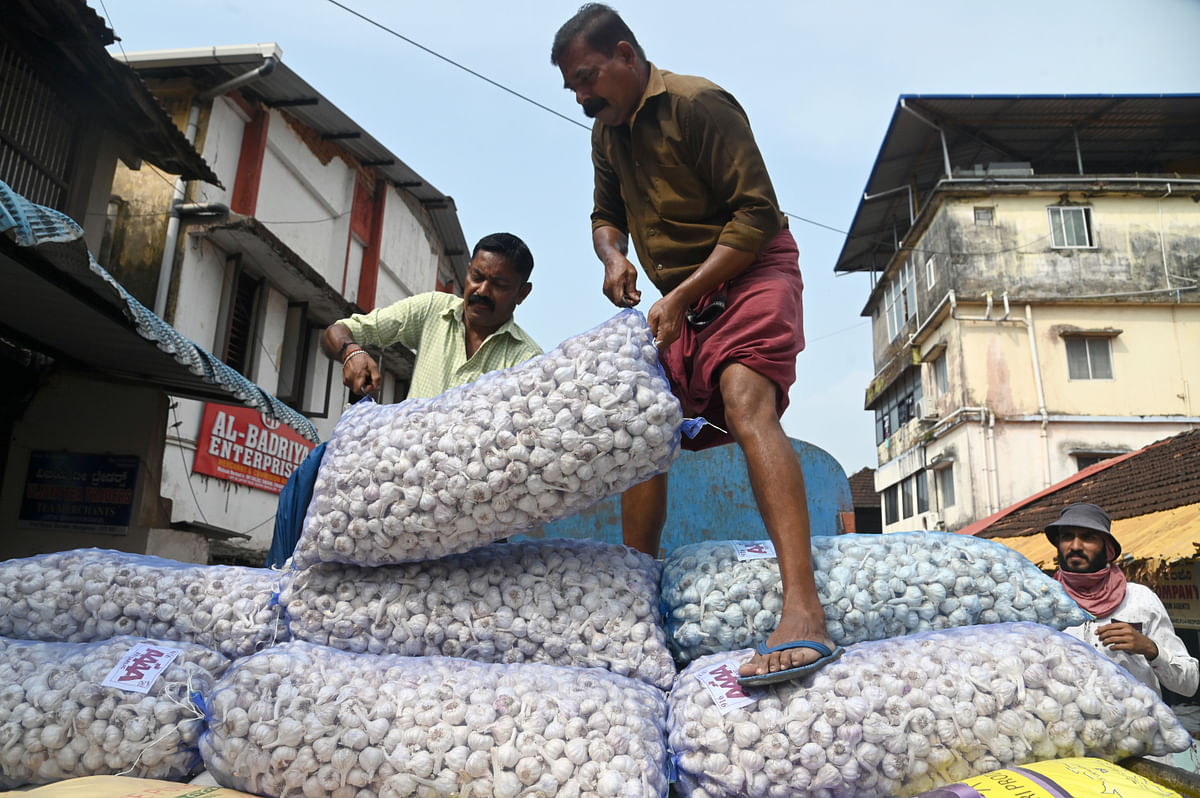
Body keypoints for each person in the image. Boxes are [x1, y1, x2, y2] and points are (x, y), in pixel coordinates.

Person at [552, 4, 838, 687]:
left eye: (589, 77)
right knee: (645, 424)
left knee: (745, 402)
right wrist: (612, 259)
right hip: (680, 296)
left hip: (751, 266)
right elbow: (605, 215)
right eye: (573, 89)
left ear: (626, 55)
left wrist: (681, 296)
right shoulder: (607, 131)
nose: (584, 96)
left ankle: (803, 605)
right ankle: (636, 587)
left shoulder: (697, 105)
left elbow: (756, 214)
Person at [265, 232, 541, 567]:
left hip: (468, 515)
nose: (482, 291)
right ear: (467, 272)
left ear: (522, 293)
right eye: (477, 277)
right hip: (393, 494)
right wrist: (352, 352)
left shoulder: (529, 361)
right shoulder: (431, 311)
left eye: (499, 284)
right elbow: (336, 332)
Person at [1047, 502, 1198, 699]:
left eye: (1088, 537)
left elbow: (1189, 684)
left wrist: (1151, 649)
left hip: (1134, 726)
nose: (1075, 546)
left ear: (1107, 548)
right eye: (1067, 536)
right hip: (1062, 728)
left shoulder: (1140, 599)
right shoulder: (1042, 602)